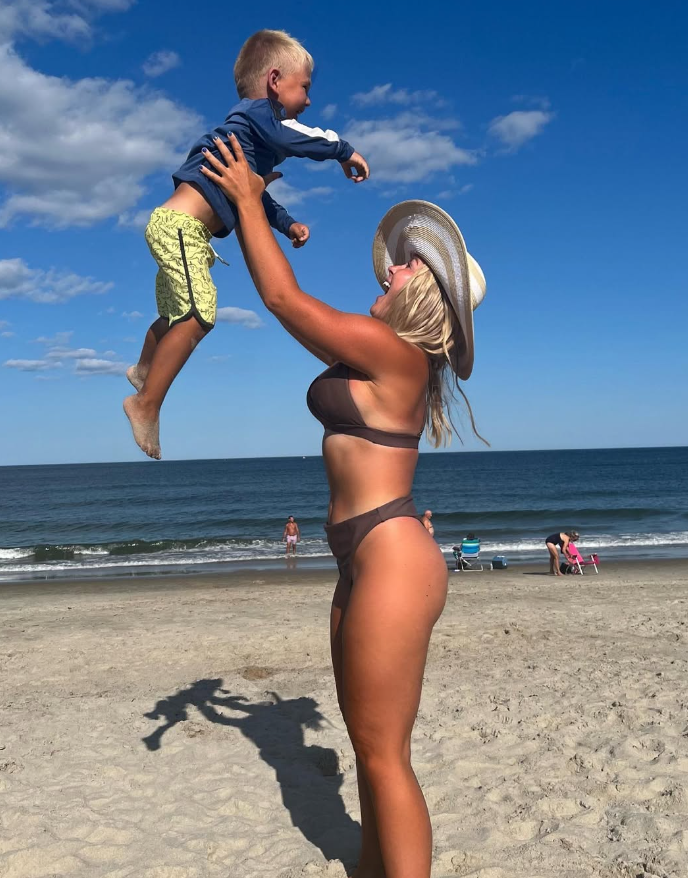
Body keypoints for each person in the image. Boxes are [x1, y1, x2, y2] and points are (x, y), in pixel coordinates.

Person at [199, 132, 485, 878]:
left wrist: (250, 201)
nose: (390, 268)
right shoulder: (374, 353)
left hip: (392, 557)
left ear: (424, 292)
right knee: (368, 746)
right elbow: (293, 310)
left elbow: (282, 299)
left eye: (407, 265)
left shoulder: (398, 354)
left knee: (386, 755)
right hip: (359, 557)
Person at [123, 29, 371, 460]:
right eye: (304, 88)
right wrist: (342, 150)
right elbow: (292, 138)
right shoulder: (255, 114)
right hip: (180, 227)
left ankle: (145, 370)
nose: (308, 100)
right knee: (199, 315)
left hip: (181, 231)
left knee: (175, 314)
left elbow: (254, 197)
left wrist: (287, 224)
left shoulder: (250, 141)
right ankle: (146, 403)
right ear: (274, 81)